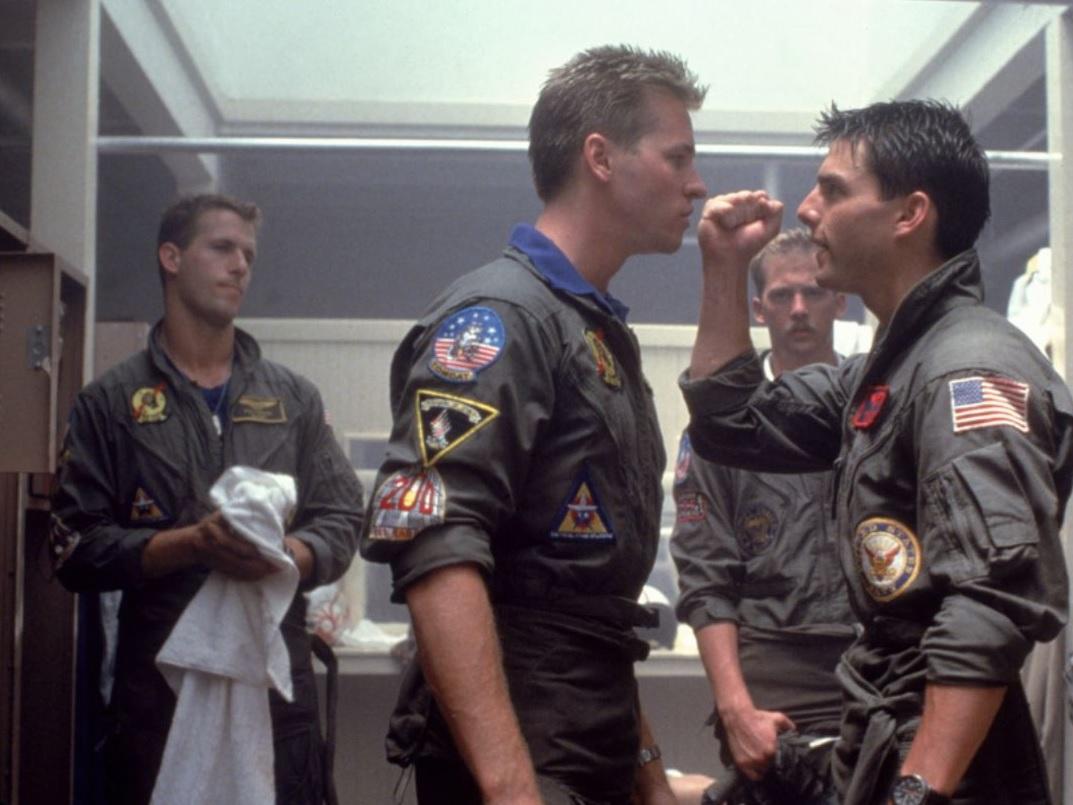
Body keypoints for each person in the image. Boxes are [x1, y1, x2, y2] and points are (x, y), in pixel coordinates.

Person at [679, 99, 1073, 805]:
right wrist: (724, 269)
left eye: (833, 190)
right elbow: (729, 422)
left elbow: (989, 601)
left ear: (908, 214)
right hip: (887, 726)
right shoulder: (891, 370)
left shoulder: (964, 370)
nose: (807, 210)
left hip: (949, 764)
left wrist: (915, 792)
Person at [359, 45, 708, 805]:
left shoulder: (586, 327)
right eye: (677, 156)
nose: (696, 183)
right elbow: (435, 545)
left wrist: (647, 772)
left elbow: (586, 606)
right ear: (600, 158)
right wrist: (513, 790)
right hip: (525, 758)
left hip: (585, 743)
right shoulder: (501, 318)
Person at [49, 194, 365, 804]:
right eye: (222, 248)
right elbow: (73, 549)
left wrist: (287, 557)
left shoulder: (294, 400)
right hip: (159, 703)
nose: (240, 265)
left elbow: (342, 517)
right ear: (171, 257)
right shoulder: (110, 403)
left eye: (248, 254)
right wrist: (188, 546)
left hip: (277, 702)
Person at [670, 229, 856, 796]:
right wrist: (734, 709)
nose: (798, 308)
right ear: (758, 308)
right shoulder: (721, 428)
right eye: (781, 295)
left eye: (813, 292)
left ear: (839, 300)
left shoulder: (877, 407)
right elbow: (705, 576)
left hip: (873, 661)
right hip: (773, 672)